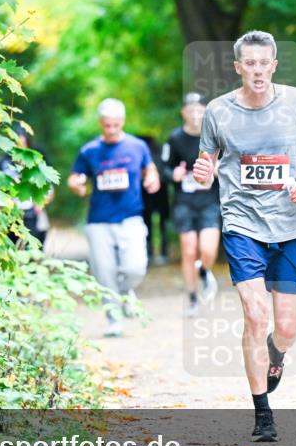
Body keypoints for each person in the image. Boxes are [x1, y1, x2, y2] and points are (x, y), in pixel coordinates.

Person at [192, 31, 296, 442]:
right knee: (255, 314)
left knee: (285, 329)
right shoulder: (218, 111)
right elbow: (207, 162)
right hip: (242, 223)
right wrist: (203, 173)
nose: (257, 70)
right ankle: (262, 413)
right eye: (248, 63)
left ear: (273, 65)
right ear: (238, 68)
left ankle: (276, 354)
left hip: (290, 225)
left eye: (263, 62)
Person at [70, 98, 161, 337]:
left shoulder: (137, 146)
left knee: (136, 268)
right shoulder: (89, 150)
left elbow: (149, 169)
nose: (111, 130)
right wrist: (78, 184)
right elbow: (75, 176)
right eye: (107, 125)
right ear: (100, 123)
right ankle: (113, 320)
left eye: (115, 125)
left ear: (122, 122)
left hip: (131, 217)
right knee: (104, 272)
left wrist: (152, 178)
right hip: (99, 220)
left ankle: (125, 292)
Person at [161, 92, 221, 317]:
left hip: (209, 201)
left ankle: (204, 272)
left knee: (207, 249)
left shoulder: (216, 137)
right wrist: (173, 174)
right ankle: (193, 299)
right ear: (183, 112)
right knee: (188, 250)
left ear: (206, 112)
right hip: (184, 202)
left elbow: (230, 165)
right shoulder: (175, 138)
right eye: (190, 109)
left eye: (199, 109)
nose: (195, 114)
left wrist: (218, 169)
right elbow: (163, 169)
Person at [0, 125, 53, 248]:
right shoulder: (2, 163)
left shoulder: (38, 162)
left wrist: (40, 205)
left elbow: (49, 189)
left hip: (33, 212)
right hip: (9, 214)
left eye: (22, 144)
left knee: (33, 249)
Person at [138, 134, 171, 266]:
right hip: (154, 194)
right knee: (157, 224)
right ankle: (157, 252)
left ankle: (154, 252)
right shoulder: (160, 151)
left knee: (153, 224)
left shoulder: (154, 153)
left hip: (155, 193)